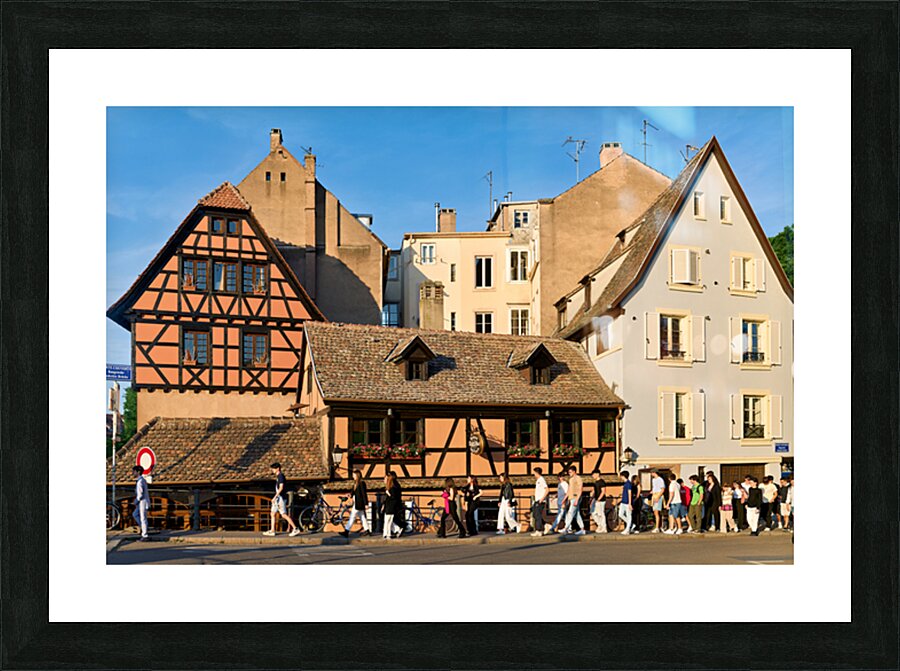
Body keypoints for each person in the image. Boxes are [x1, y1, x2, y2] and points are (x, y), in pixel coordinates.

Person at [263, 462, 301, 537]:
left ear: (277, 469)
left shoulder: (281, 476)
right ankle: (272, 530)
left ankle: (295, 528)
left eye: (273, 469)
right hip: (278, 498)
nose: (272, 470)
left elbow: (281, 488)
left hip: (280, 498)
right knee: (272, 513)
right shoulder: (279, 476)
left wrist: (275, 497)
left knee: (283, 514)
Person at [340, 469, 371, 538]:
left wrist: (366, 504)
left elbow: (364, 494)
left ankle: (346, 531)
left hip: (359, 503)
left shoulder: (361, 483)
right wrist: (349, 494)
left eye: (354, 475)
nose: (353, 476)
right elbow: (353, 492)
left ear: (357, 475)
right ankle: (367, 530)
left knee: (352, 516)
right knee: (362, 517)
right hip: (357, 503)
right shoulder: (355, 484)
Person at [563, 465, 586, 535]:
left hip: (576, 498)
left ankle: (565, 528)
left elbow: (580, 489)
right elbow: (569, 490)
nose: (569, 473)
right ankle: (582, 529)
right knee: (577, 515)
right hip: (571, 498)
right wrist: (564, 499)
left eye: (570, 472)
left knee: (570, 513)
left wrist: (577, 500)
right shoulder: (570, 480)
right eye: (568, 472)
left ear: (574, 472)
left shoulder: (578, 478)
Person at [382, 473, 404, 539]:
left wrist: (388, 493)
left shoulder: (392, 488)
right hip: (389, 506)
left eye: (386, 478)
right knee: (388, 521)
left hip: (391, 507)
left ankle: (387, 534)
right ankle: (394, 531)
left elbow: (393, 497)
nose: (384, 480)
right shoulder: (391, 487)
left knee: (388, 521)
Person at [132, 465, 150, 541]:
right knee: (136, 514)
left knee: (143, 518)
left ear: (138, 472)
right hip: (142, 502)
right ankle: (144, 529)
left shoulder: (140, 482)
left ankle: (145, 534)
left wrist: (136, 501)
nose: (133, 473)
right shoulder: (142, 480)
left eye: (134, 471)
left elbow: (140, 494)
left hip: (142, 502)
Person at [531, 468, 550, 537]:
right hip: (537, 500)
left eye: (534, 473)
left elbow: (547, 490)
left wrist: (542, 499)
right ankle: (545, 524)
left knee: (537, 515)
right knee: (535, 514)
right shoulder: (538, 480)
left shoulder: (542, 480)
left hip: (540, 500)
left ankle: (538, 530)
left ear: (536, 473)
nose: (533, 474)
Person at [618, 470, 634, 535]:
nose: (621, 477)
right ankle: (631, 525)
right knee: (620, 514)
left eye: (621, 476)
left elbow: (630, 493)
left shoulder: (628, 484)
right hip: (623, 502)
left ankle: (627, 530)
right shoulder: (625, 484)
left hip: (627, 502)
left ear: (623, 476)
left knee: (628, 515)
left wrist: (630, 503)